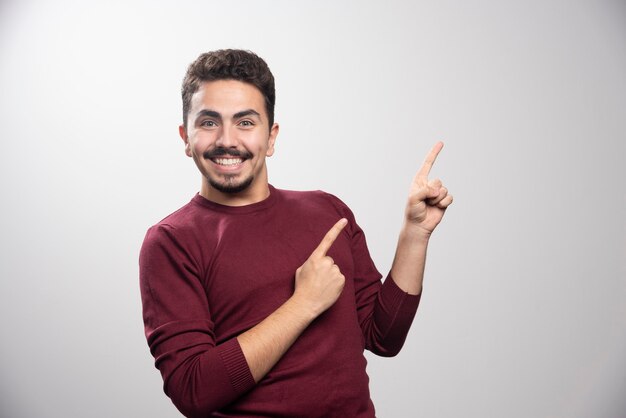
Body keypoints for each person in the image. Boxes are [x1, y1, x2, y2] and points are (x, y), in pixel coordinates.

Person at [139, 49, 453, 418]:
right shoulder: (171, 241)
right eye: (209, 122)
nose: (227, 139)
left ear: (271, 137)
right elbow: (192, 390)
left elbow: (384, 337)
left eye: (245, 122)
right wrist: (303, 305)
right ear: (186, 137)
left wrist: (415, 233)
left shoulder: (327, 212)